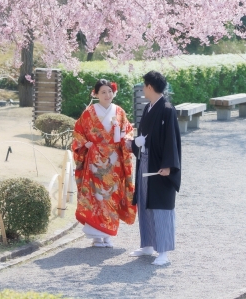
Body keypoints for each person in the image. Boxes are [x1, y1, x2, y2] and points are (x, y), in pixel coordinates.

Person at [71, 78, 136, 248]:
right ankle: (96, 236)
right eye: (103, 92)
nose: (107, 95)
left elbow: (128, 132)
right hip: (94, 161)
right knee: (95, 196)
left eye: (109, 91)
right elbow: (78, 132)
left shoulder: (120, 112)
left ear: (113, 92)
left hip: (114, 161)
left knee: (112, 196)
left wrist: (126, 139)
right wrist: (86, 144)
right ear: (96, 94)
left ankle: (108, 235)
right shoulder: (89, 113)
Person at [125, 70, 181, 266]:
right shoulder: (149, 108)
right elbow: (145, 138)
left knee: (160, 207)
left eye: (144, 86)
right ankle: (147, 244)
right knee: (144, 202)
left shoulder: (166, 108)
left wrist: (168, 166)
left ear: (149, 86)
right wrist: (133, 144)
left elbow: (171, 140)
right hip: (145, 163)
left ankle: (163, 251)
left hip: (159, 166)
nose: (142, 90)